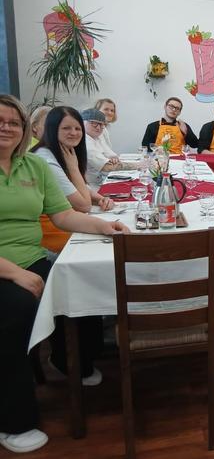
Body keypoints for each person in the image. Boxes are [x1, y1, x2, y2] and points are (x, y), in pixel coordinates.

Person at [0, 94, 129, 454]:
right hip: (6, 268)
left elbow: (64, 215)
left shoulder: (32, 166)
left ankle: (72, 362)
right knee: (16, 313)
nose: (6, 128)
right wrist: (16, 274)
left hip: (32, 257)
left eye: (13, 122)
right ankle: (14, 421)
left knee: (80, 285)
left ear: (25, 129)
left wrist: (105, 227)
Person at [31, 106, 115, 252]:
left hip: (67, 224)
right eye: (66, 128)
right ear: (53, 129)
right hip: (51, 233)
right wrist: (74, 168)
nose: (74, 133)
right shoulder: (45, 158)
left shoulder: (63, 151)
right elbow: (83, 206)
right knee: (107, 249)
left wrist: (101, 198)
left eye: (77, 128)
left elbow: (83, 191)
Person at [82, 109, 136, 187]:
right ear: (82, 123)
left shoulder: (97, 136)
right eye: (94, 123)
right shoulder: (85, 141)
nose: (98, 127)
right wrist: (138, 165)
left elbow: (111, 156)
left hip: (102, 179)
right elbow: (106, 167)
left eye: (101, 124)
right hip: (90, 185)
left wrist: (113, 159)